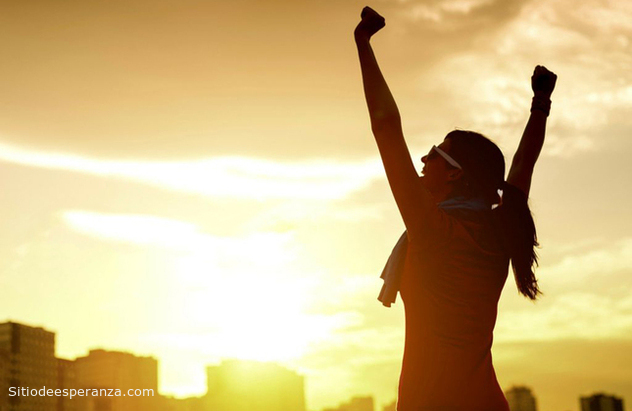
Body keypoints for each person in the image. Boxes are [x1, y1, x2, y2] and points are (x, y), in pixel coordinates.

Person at [354, 6, 557, 411]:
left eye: (434, 154)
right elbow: (523, 164)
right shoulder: (500, 229)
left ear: (455, 176)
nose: (422, 161)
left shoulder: (433, 230)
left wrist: (362, 45)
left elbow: (385, 127)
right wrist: (540, 104)